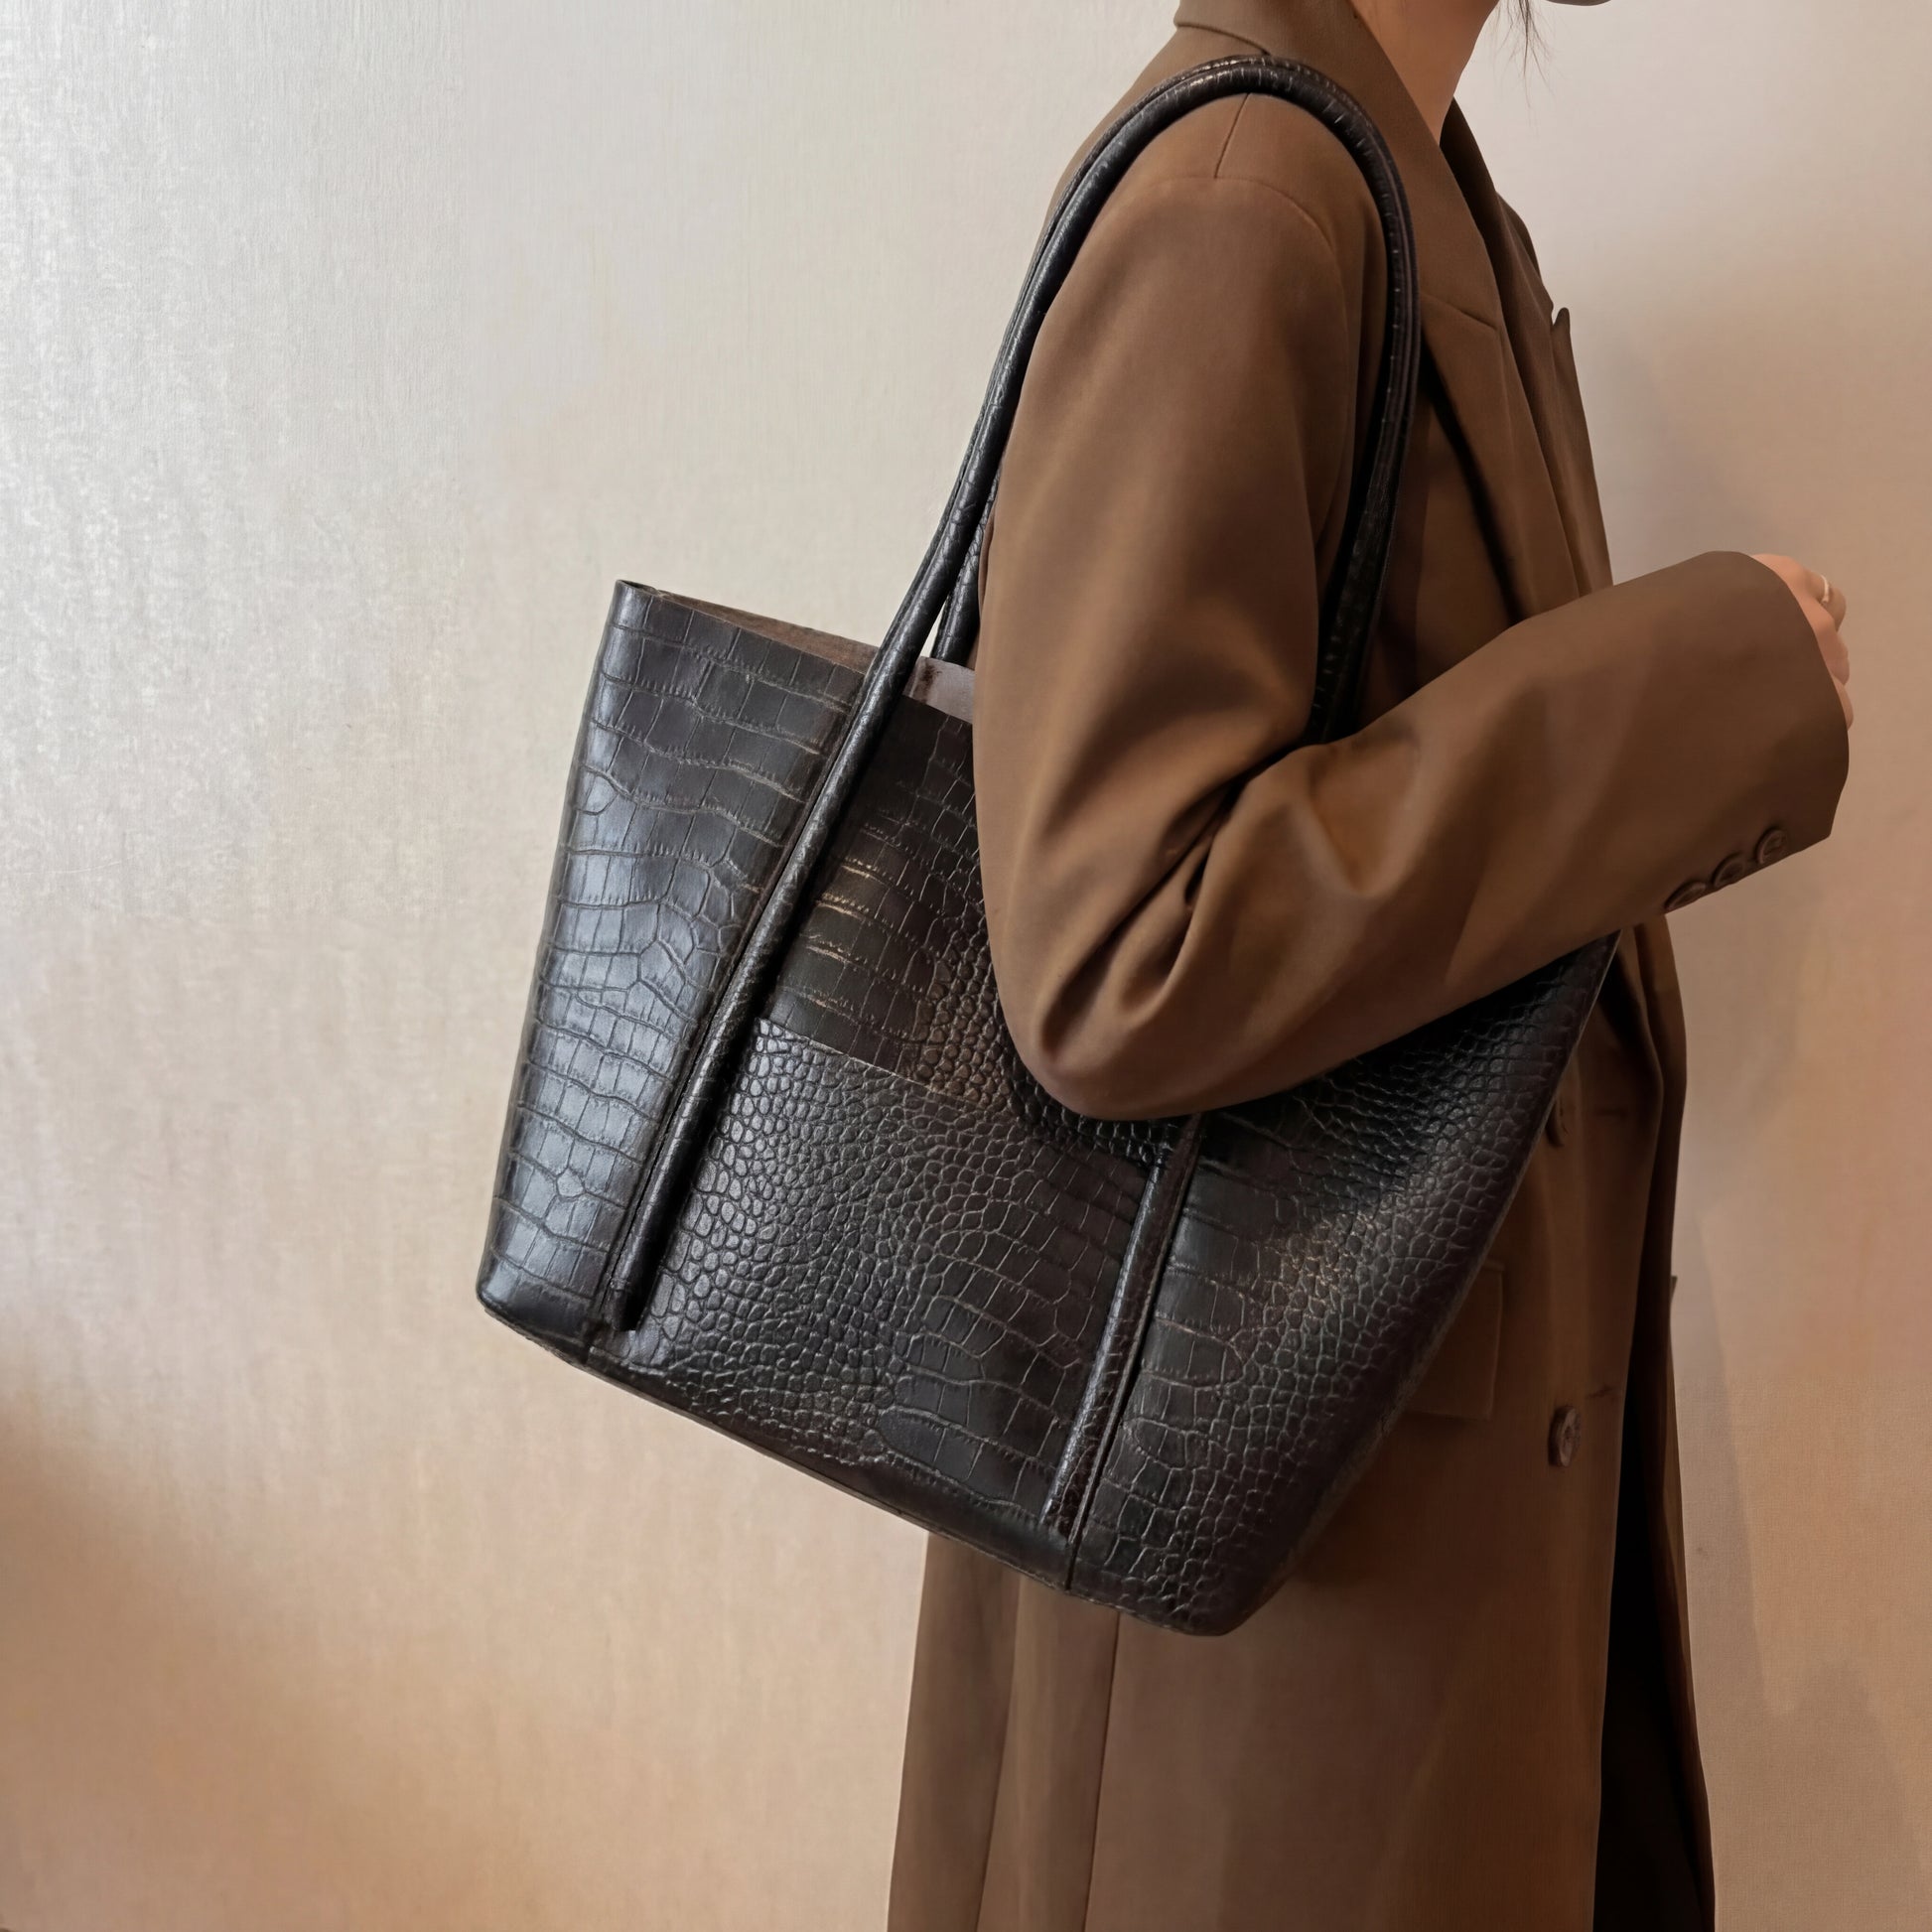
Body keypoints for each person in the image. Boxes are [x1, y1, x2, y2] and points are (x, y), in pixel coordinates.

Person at [886, 0, 1853, 1926]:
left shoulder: (1416, 197)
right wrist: (1698, 686)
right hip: (1269, 1671)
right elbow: (1118, 941)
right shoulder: (1245, 192)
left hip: (1386, 1620)